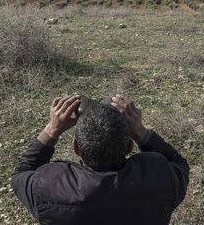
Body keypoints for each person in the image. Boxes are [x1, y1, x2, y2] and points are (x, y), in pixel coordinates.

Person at [11, 94, 189, 224]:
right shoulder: (162, 180)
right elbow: (179, 164)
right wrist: (141, 133)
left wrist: (51, 130)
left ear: (76, 148)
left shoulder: (47, 188)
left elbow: (22, 174)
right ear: (129, 146)